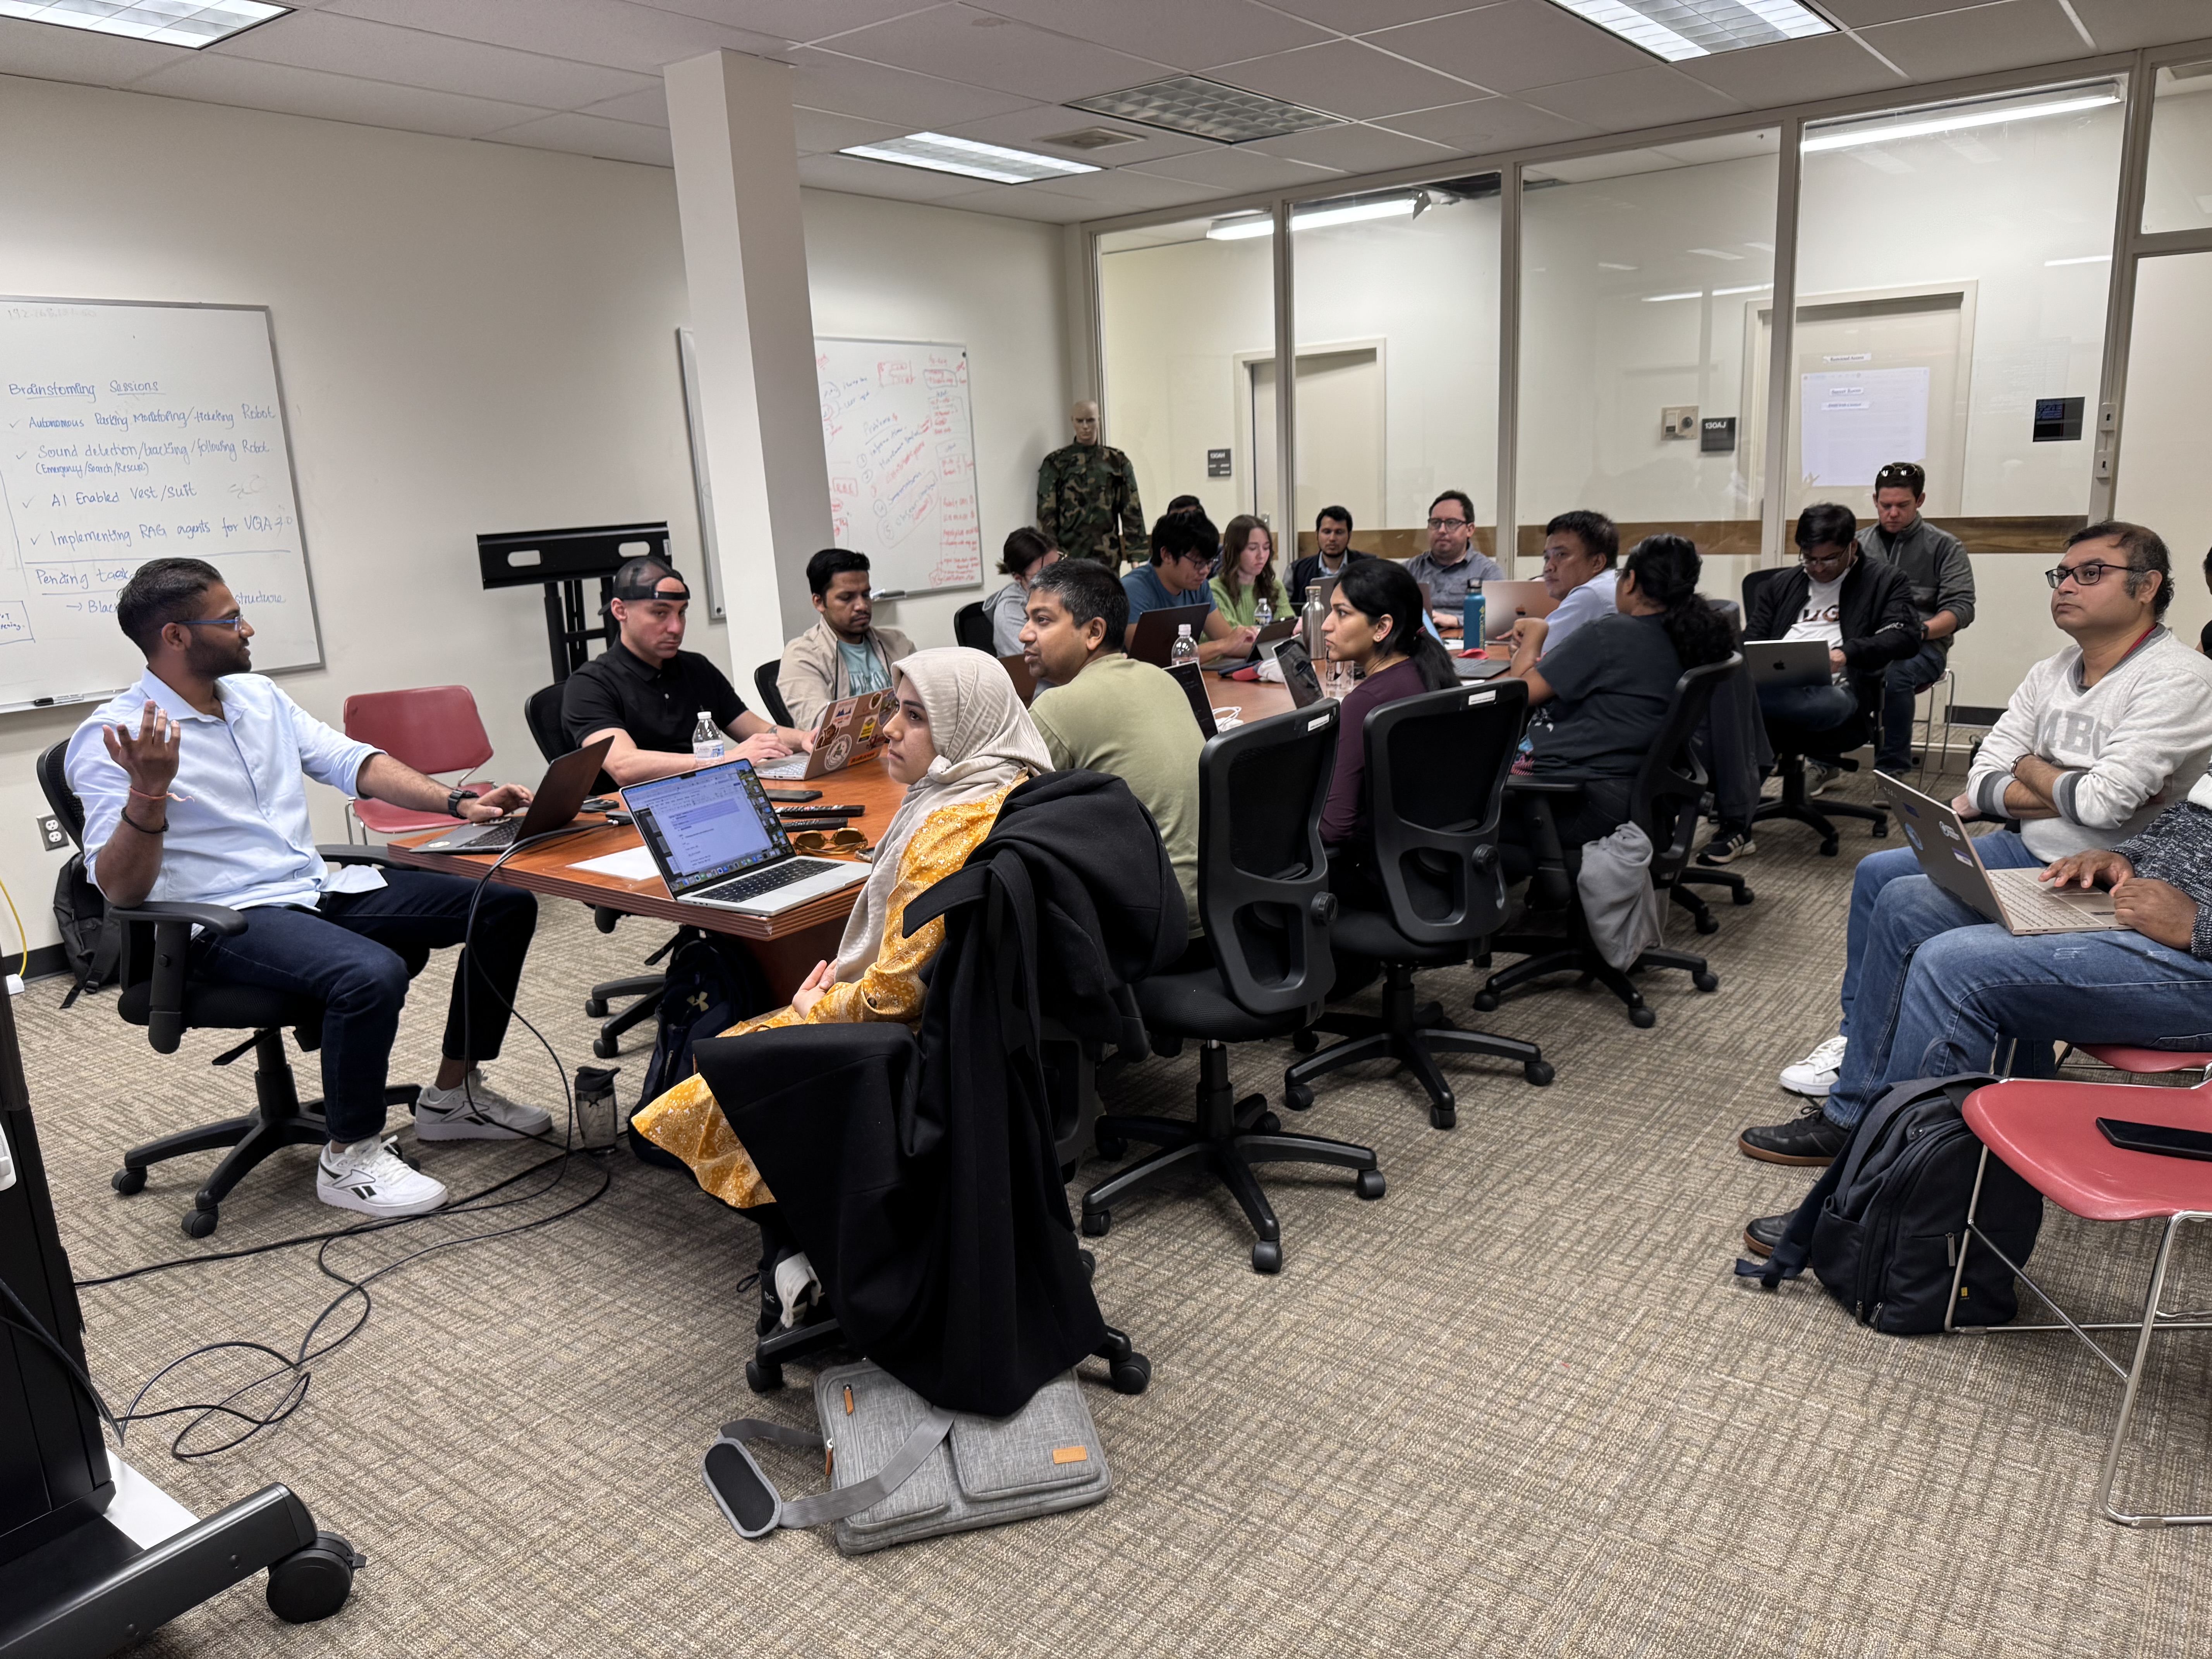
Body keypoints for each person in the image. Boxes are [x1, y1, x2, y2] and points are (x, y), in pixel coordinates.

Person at [65, 558, 548, 1220]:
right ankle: (349, 1156)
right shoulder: (115, 737)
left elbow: (354, 762)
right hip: (222, 921)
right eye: (231, 619)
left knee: (503, 902)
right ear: (176, 636)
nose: (248, 628)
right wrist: (148, 794)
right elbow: (119, 887)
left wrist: (457, 801)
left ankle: (453, 1096)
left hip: (310, 888)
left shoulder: (257, 697)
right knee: (368, 972)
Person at [1748, 521, 2212, 1162]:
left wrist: (2030, 766)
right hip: (2044, 851)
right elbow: (1982, 775)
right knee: (1883, 879)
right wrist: (2062, 782)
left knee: (1930, 933)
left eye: (2090, 572)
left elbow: (2104, 805)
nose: (2066, 586)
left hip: (2095, 878)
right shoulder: (2051, 670)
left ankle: (1873, 1124)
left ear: (2147, 587)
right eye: (2062, 573)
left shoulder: (2177, 678)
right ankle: (1860, 1054)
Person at [632, 648, 1051, 1231]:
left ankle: (803, 1251)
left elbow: (893, 998)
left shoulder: (946, 834)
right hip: (973, 1031)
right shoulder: (998, 781)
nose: (889, 730)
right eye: (894, 711)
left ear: (964, 723)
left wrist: (818, 1009)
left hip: (906, 1041)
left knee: (709, 1078)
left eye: (915, 716)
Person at [1742, 786, 2212, 1259]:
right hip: (2138, 908)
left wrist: (2198, 925)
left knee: (1954, 967)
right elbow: (2194, 822)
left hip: (2196, 957)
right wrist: (2120, 857)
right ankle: (1859, 1121)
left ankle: (1885, 1218)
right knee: (1906, 901)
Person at [1503, 534, 1736, 851]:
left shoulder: (1609, 634)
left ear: (1630, 582)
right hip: (1633, 795)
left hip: (1571, 799)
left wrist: (1536, 632)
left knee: (1447, 806)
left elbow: (1521, 693)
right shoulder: (1689, 635)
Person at [1020, 559, 1203, 934]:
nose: (1024, 634)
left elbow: (1004, 819)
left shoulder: (1058, 708)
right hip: (1217, 908)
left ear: (1094, 632)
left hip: (1154, 926)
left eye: (1042, 620)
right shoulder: (1163, 677)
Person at [563, 555, 813, 786]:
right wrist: (725, 760)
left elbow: (758, 729)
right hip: (635, 816)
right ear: (620, 611)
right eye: (660, 613)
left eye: (681, 613)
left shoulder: (696, 668)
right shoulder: (590, 684)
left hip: (705, 792)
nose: (676, 627)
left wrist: (803, 740)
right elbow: (624, 765)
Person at [1743, 503, 1919, 795]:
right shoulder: (1782, 585)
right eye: (1809, 559)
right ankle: (1737, 808)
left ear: (1852, 547)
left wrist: (1846, 653)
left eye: (1829, 560)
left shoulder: (1884, 581)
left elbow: (1905, 636)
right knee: (1743, 699)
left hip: (1839, 690)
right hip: (1776, 686)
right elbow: (1753, 640)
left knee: (1743, 709)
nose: (1818, 568)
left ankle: (1733, 803)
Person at [1317, 559, 1462, 900]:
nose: (1325, 625)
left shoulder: (1365, 702)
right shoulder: (1429, 673)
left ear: (1382, 627)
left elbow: (1334, 828)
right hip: (1436, 867)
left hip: (1380, 880)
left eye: (1341, 613)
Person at [1856, 461, 1975, 777]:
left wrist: (1917, 633)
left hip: (1922, 646)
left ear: (1920, 501)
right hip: (1869, 642)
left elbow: (1961, 609)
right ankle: (1823, 762)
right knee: (1832, 669)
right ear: (1875, 501)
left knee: (1896, 676)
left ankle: (1892, 771)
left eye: (1902, 506)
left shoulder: (1945, 547)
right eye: (1886, 506)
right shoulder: (1858, 546)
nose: (1893, 513)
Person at [778, 548, 916, 730]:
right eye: (847, 598)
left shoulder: (897, 643)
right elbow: (823, 726)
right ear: (819, 602)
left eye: (866, 595)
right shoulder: (802, 655)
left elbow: (926, 703)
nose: (862, 606)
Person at [1121, 510, 1259, 665]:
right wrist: (1223, 646)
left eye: (1209, 562)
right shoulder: (1133, 590)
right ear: (1167, 555)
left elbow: (1228, 640)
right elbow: (1152, 659)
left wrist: (1273, 646)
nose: (1205, 571)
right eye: (1198, 563)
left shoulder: (1199, 586)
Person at [1036, 400, 1146, 567]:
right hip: (1069, 557)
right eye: (1080, 421)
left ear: (1099, 420)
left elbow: (1131, 510)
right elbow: (1047, 515)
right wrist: (1050, 559)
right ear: (1072, 421)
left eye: (1091, 420)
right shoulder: (1056, 463)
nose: (1086, 427)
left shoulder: (1117, 462)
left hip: (1107, 556)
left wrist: (1136, 558)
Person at [1504, 510, 1619, 664]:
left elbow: (1533, 659)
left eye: (1561, 555)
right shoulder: (1612, 582)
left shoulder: (1591, 594)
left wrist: (1521, 650)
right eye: (1547, 558)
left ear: (1597, 562)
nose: (1548, 567)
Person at [1404, 489, 1504, 637]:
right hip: (1419, 644)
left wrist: (1457, 620)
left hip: (1466, 644)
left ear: (1470, 530)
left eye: (1451, 523)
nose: (1442, 530)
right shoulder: (1410, 570)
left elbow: (1499, 619)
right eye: (1435, 523)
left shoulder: (1487, 572)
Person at [984, 527, 1061, 656]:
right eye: (1045, 573)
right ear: (1019, 578)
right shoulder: (1008, 612)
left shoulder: (1059, 594)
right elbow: (1040, 657)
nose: (1057, 577)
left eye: (1058, 566)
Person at [1210, 515, 1283, 628]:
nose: (1262, 556)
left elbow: (1287, 628)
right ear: (1234, 551)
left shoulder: (1275, 587)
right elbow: (1232, 637)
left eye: (1266, 548)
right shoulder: (1215, 590)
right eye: (1253, 549)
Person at [1288, 505, 1368, 606]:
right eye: (1327, 532)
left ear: (1350, 536)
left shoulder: (1368, 568)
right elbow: (1286, 613)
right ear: (1317, 535)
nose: (1332, 538)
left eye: (1339, 532)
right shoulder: (1297, 570)